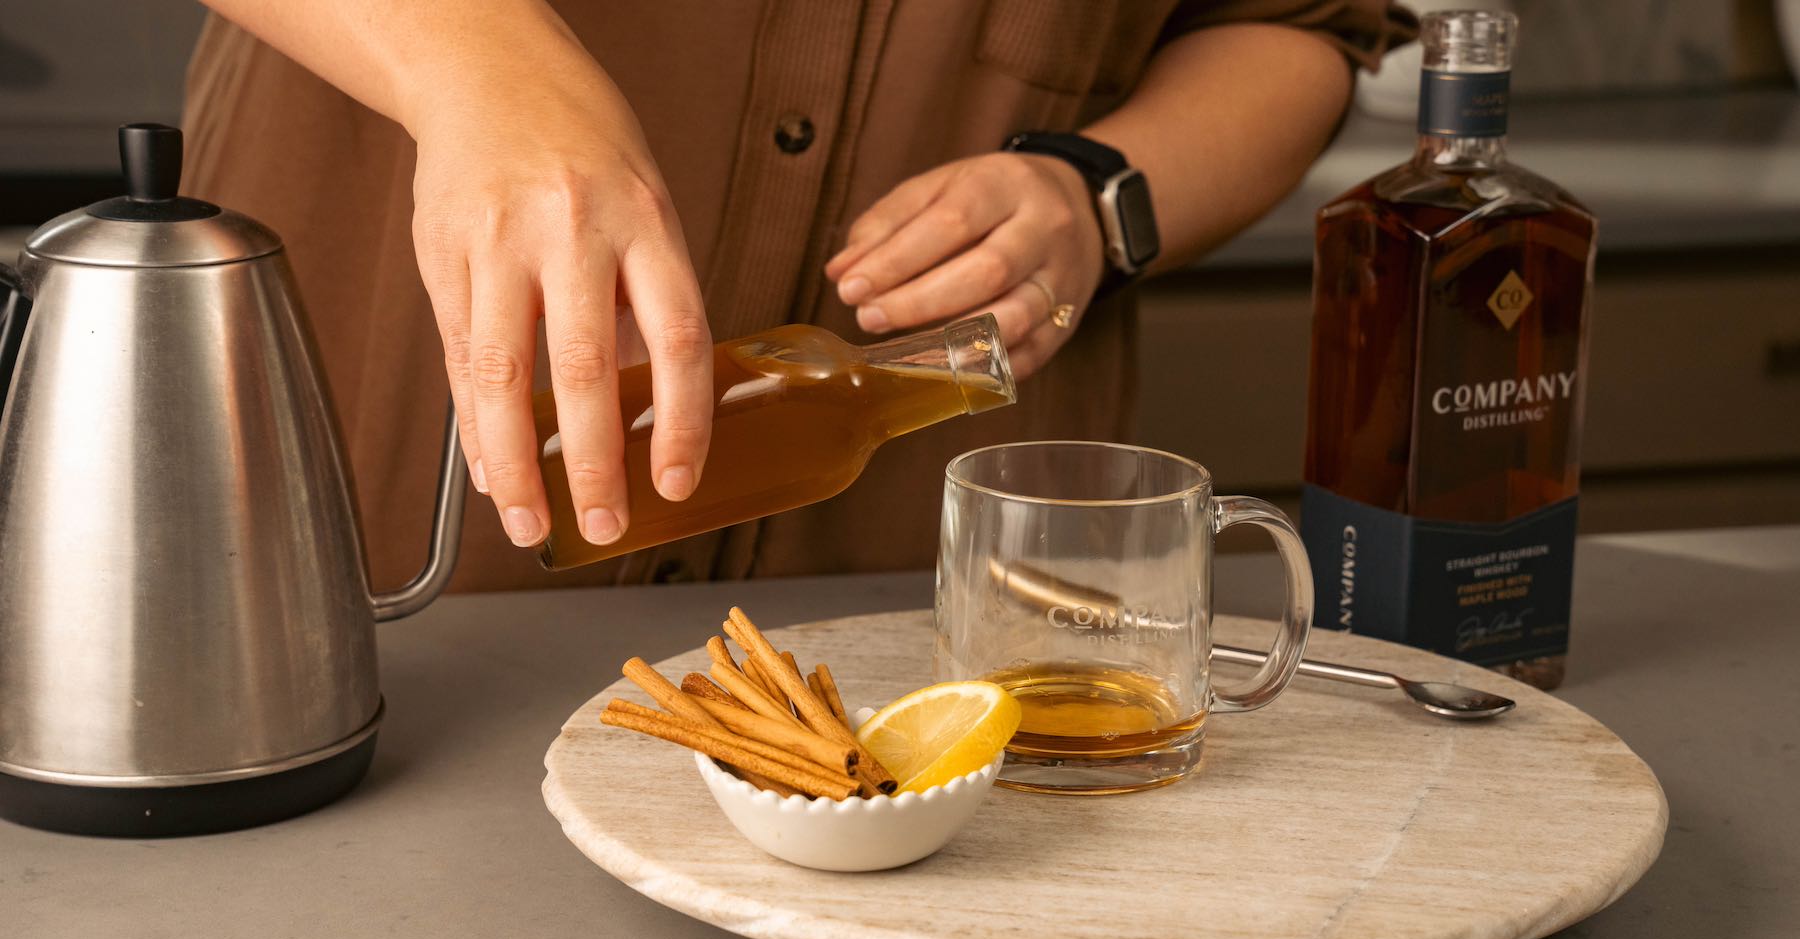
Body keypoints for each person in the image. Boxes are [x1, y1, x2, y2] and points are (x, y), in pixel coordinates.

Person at [182, 0, 1414, 592]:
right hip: (367, 544)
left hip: (913, 596)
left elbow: (1297, 24)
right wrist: (474, 67)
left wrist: (1099, 197)